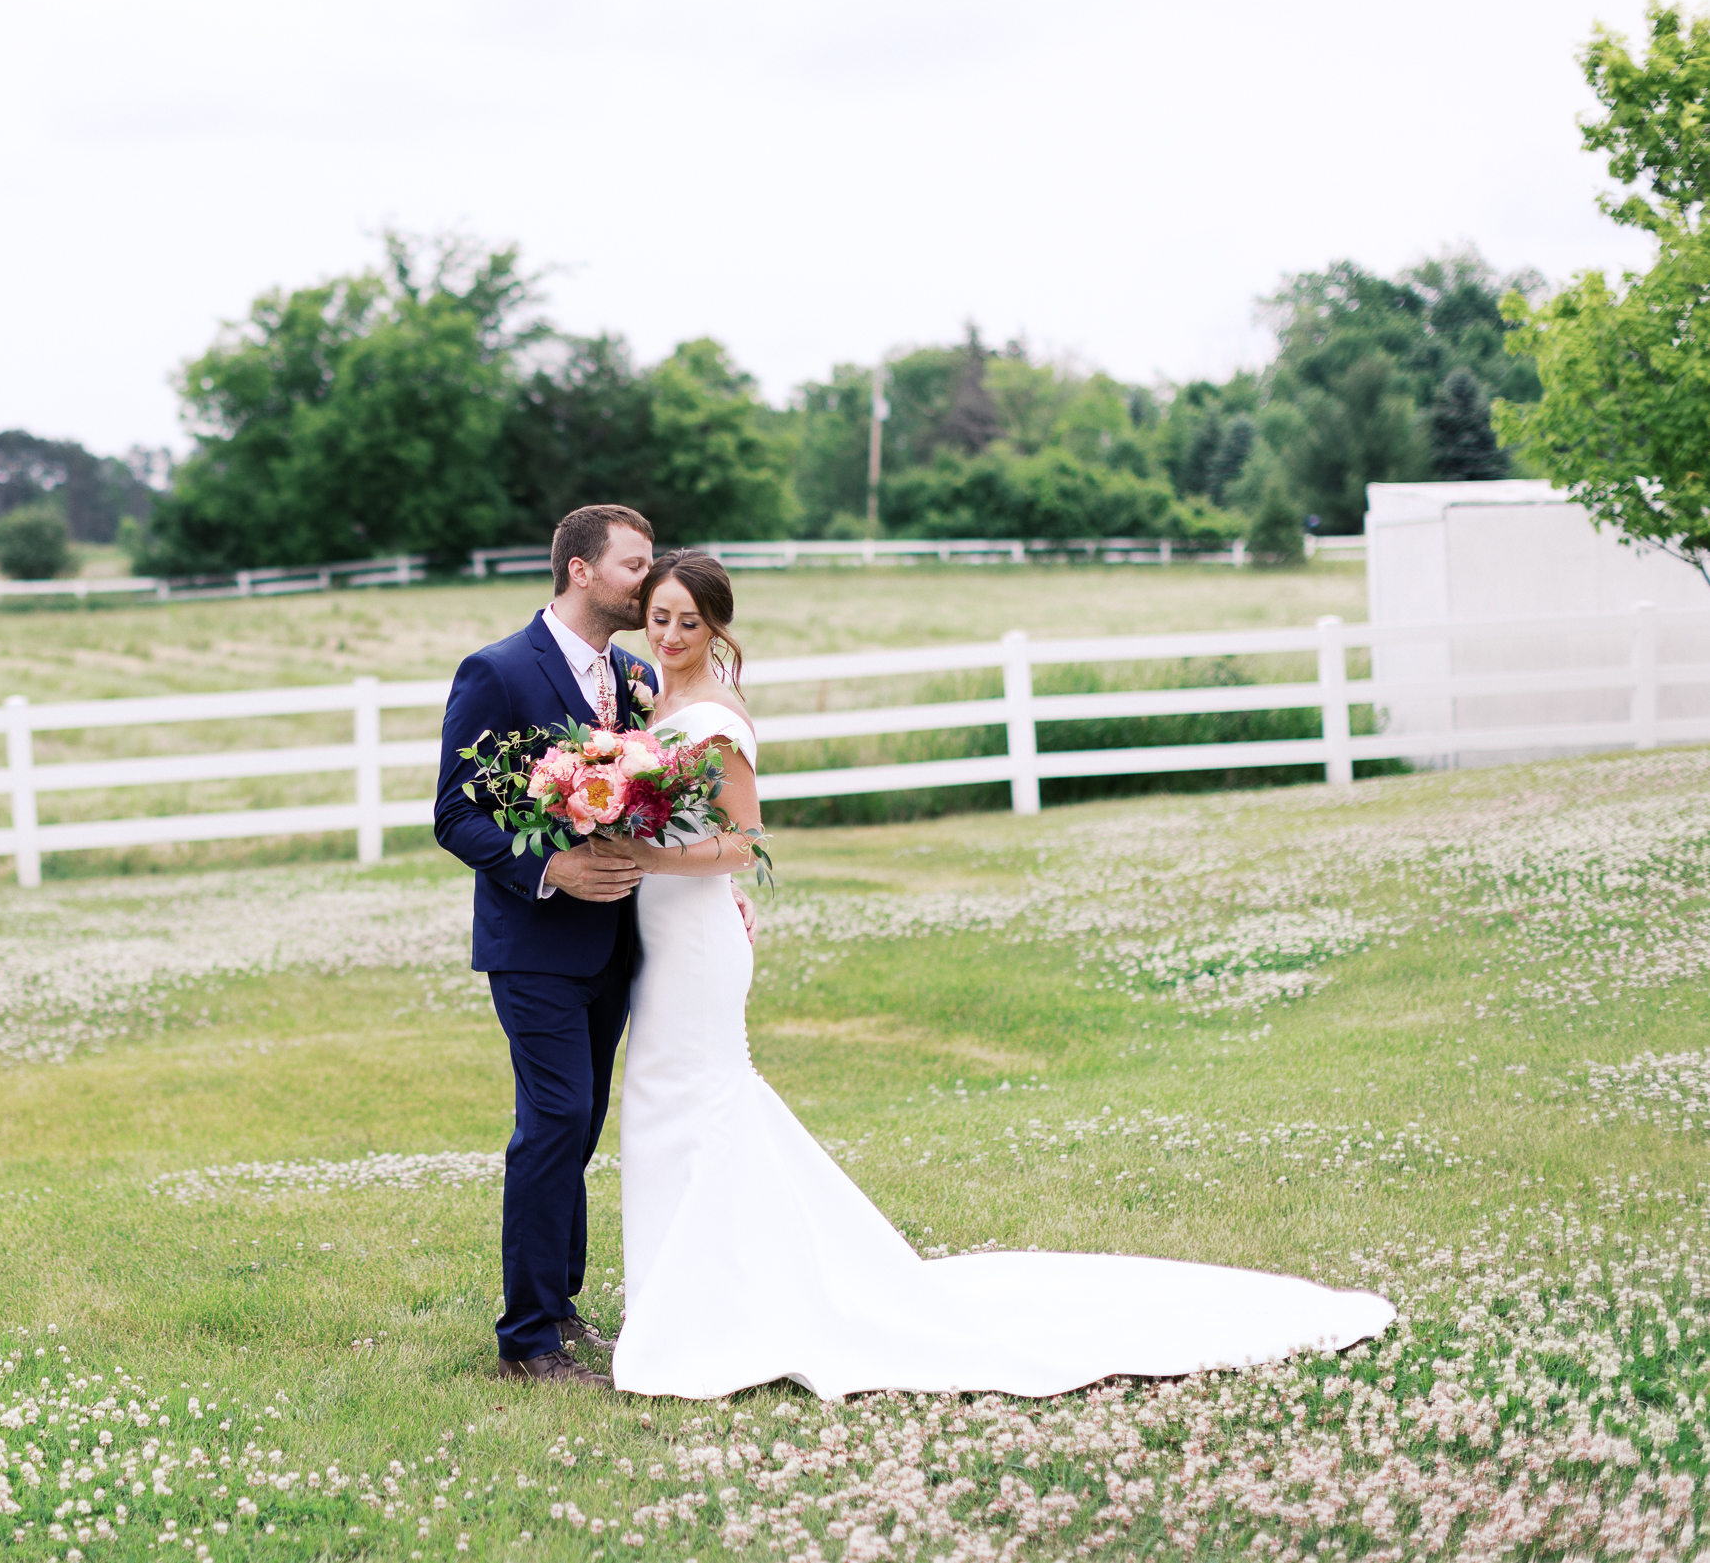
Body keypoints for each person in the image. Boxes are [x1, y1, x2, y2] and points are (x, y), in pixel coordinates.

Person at [591, 549, 1396, 1402]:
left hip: (698, 936)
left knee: (696, 1093)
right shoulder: (657, 695)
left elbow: (746, 843)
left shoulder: (716, 712)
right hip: (664, 931)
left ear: (716, 627)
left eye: (690, 620)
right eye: (662, 617)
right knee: (666, 1100)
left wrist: (644, 855)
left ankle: (717, 1307)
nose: (672, 633)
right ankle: (698, 1294)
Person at [433, 506, 750, 1388]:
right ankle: (526, 1340)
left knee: (579, 1125)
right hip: (534, 938)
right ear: (580, 571)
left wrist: (718, 890)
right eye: (634, 566)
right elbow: (454, 813)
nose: (648, 584)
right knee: (555, 1119)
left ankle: (561, 1310)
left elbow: (682, 806)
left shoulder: (637, 676)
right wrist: (550, 870)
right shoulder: (497, 671)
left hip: (621, 941)